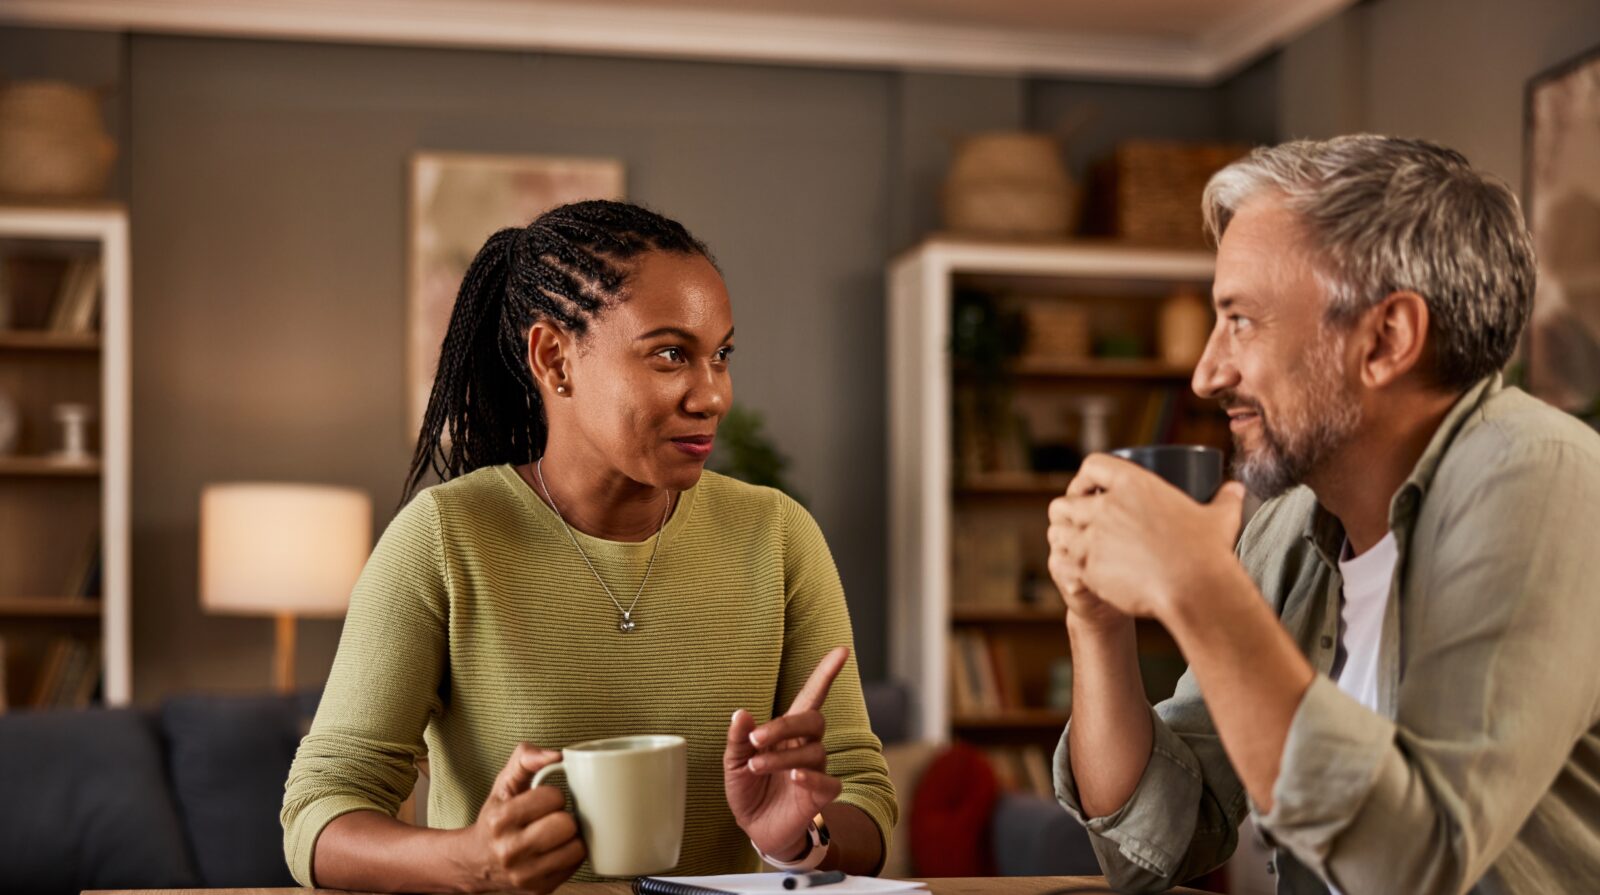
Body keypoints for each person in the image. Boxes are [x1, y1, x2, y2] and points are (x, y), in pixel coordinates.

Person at [281, 200, 895, 893]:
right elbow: (317, 813)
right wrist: (468, 860)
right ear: (554, 358)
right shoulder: (445, 540)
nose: (714, 393)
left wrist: (799, 839)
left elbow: (865, 801)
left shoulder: (778, 535)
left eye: (721, 355)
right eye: (671, 354)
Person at [1047, 135, 1600, 894]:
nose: (1208, 372)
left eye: (1240, 319)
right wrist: (1098, 620)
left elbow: (1421, 860)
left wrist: (1201, 590)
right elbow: (1154, 845)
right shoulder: (1290, 525)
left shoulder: (1540, 476)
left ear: (1386, 339)